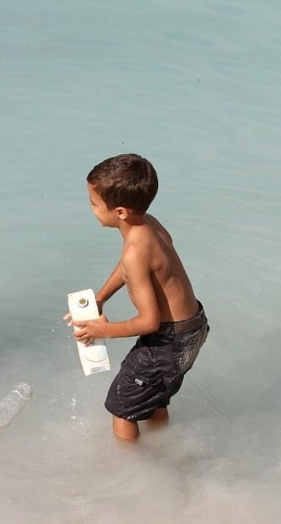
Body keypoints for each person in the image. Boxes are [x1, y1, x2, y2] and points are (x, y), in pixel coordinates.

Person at [67, 154, 209, 440]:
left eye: (94, 203)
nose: (90, 208)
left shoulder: (135, 251)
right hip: (192, 329)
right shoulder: (148, 225)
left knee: (122, 407)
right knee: (155, 397)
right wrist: (101, 297)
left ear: (120, 211)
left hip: (166, 342)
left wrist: (102, 329)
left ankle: (131, 473)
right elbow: (132, 268)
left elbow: (149, 322)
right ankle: (161, 446)